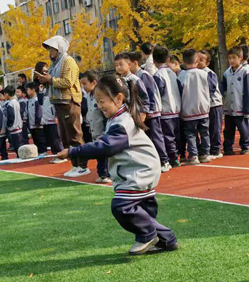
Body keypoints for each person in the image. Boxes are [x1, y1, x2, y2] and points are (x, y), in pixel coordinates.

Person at [57, 74, 179, 255]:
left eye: (102, 101)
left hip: (140, 171)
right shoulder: (118, 118)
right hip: (138, 169)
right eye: (97, 101)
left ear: (118, 98)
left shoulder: (121, 123)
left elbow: (105, 147)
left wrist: (73, 151)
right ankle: (167, 239)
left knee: (121, 206)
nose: (99, 106)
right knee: (139, 213)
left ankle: (146, 235)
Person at [39, 36, 88, 176]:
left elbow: (68, 82)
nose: (50, 52)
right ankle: (75, 164)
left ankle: (83, 166)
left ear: (59, 48)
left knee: (75, 135)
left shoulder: (68, 61)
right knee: (66, 137)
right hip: (60, 103)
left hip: (70, 102)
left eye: (52, 49)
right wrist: (46, 80)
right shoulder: (55, 64)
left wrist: (51, 79)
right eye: (49, 49)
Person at [129, 52, 170, 173]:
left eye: (127, 64)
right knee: (147, 138)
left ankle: (164, 161)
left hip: (152, 111)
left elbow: (150, 94)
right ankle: (152, 161)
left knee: (156, 136)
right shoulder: (134, 76)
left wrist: (149, 110)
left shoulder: (143, 75)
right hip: (143, 111)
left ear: (134, 63)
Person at [177, 49, 212, 165]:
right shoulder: (204, 74)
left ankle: (193, 155)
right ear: (197, 60)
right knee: (204, 132)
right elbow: (211, 88)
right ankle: (205, 154)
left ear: (183, 61)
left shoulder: (181, 76)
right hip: (203, 108)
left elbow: (179, 92)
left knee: (191, 134)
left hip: (188, 110)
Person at [153, 46, 182, 168]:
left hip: (166, 111)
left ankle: (173, 158)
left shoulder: (158, 74)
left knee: (168, 137)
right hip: (176, 108)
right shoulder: (173, 72)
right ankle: (176, 155)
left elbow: (159, 91)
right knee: (175, 135)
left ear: (154, 61)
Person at [221, 46, 249, 155]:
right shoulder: (226, 73)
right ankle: (228, 148)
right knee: (228, 129)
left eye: (234, 58)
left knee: (243, 129)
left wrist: (247, 108)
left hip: (240, 107)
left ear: (240, 58)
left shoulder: (245, 72)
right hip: (229, 108)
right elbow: (223, 88)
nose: (231, 60)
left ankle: (245, 146)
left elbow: (248, 91)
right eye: (229, 58)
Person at [79, 71, 111, 183]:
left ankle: (105, 174)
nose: (83, 87)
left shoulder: (101, 95)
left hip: (103, 130)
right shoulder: (88, 96)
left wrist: (106, 129)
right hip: (94, 130)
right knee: (99, 152)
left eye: (84, 84)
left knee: (104, 153)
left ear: (94, 82)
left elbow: (104, 114)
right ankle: (102, 173)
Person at [35, 62, 65, 164]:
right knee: (51, 137)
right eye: (43, 72)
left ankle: (61, 154)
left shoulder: (52, 84)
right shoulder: (42, 87)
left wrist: (56, 115)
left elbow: (56, 100)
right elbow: (41, 102)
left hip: (53, 116)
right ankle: (56, 153)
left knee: (56, 136)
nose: (44, 74)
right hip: (46, 117)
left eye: (46, 72)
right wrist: (39, 92)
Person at [198, 51, 223, 159]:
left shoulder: (209, 73)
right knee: (205, 129)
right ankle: (206, 149)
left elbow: (211, 89)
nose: (198, 61)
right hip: (203, 106)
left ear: (207, 63)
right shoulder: (193, 72)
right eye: (197, 58)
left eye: (201, 60)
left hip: (214, 104)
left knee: (215, 128)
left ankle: (215, 149)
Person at [2, 86, 24, 156]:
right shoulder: (16, 102)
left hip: (14, 127)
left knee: (17, 146)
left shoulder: (10, 104)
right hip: (18, 126)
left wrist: (8, 124)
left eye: (4, 94)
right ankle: (20, 156)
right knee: (19, 145)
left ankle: (20, 157)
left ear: (7, 94)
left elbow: (11, 116)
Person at [26, 82, 47, 156]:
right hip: (32, 124)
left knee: (40, 138)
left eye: (28, 89)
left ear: (33, 90)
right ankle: (38, 152)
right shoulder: (29, 101)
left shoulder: (37, 99)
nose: (27, 92)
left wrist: (38, 122)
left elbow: (39, 112)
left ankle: (43, 151)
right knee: (35, 139)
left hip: (38, 124)